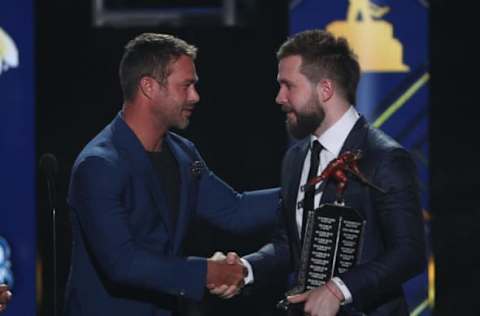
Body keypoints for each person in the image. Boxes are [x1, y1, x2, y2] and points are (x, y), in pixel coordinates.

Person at [211, 29, 426, 316]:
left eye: (289, 86)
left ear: (325, 90)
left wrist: (339, 289)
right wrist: (245, 268)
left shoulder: (385, 158)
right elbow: (291, 245)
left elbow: (408, 253)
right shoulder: (295, 157)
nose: (279, 97)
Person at [64, 33, 280, 316]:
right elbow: (122, 262)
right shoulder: (99, 165)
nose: (195, 96)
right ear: (149, 87)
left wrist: (306, 190)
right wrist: (206, 272)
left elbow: (234, 209)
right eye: (186, 86)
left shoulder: (184, 155)